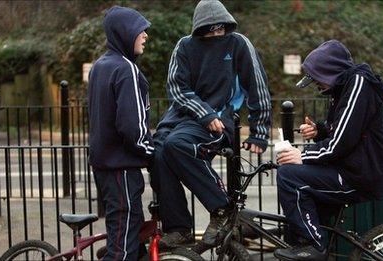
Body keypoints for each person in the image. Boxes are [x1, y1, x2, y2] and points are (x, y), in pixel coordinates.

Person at [151, 0, 272, 248]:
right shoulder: (184, 46)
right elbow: (177, 88)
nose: (217, 34)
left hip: (220, 119)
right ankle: (178, 228)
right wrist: (203, 113)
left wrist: (259, 131)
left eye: (221, 29)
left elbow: (257, 87)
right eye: (211, 30)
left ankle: (222, 209)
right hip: (186, 117)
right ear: (199, 29)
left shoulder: (238, 43)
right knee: (159, 151)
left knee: (177, 144)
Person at [273, 40, 383, 260]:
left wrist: (303, 155)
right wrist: (318, 131)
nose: (316, 85)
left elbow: (341, 143)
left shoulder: (358, 85)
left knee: (289, 177)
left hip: (357, 176)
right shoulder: (343, 86)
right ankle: (308, 244)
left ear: (329, 72)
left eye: (317, 78)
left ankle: (313, 245)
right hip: (347, 168)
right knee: (296, 217)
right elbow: (342, 127)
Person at [87, 6, 152, 260]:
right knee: (122, 249)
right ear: (125, 33)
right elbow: (131, 127)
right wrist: (151, 151)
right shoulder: (126, 70)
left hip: (104, 166)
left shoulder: (100, 66)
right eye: (140, 30)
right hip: (121, 169)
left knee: (131, 239)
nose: (145, 35)